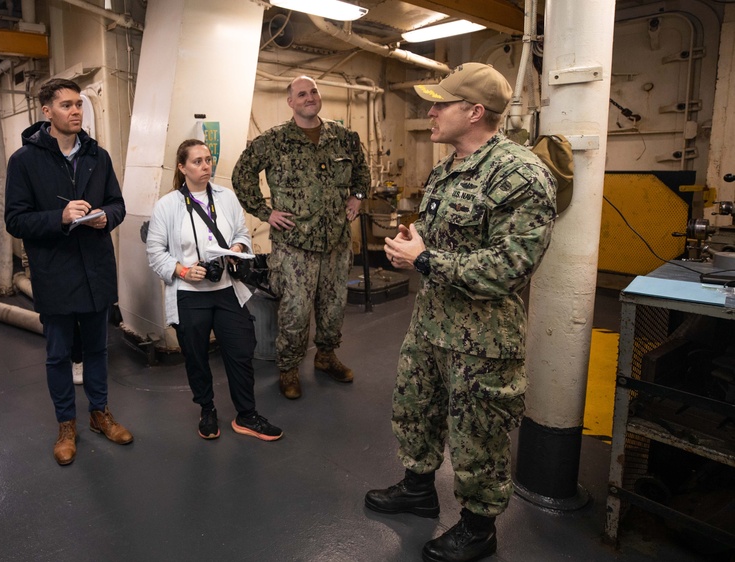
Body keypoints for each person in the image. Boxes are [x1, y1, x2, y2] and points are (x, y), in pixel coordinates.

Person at [364, 63, 557, 562]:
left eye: (440, 104)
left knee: (479, 436)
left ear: (474, 112)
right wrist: (413, 243)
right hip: (432, 324)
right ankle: (417, 489)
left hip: (483, 339)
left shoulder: (519, 174)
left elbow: (513, 265)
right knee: (416, 410)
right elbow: (446, 240)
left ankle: (478, 527)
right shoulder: (447, 169)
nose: (429, 112)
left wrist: (425, 260)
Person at [5, 78, 131, 467]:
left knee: (97, 349)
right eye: (66, 105)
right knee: (58, 355)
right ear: (47, 112)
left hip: (95, 270)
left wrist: (103, 218)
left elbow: (117, 205)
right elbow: (15, 219)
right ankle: (66, 424)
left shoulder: (98, 156)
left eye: (78, 104)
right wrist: (59, 216)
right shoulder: (24, 161)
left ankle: (99, 413)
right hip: (54, 272)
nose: (75, 111)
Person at [232, 76, 371, 399]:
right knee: (295, 311)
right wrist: (265, 213)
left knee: (334, 307)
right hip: (296, 245)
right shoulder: (274, 141)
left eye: (314, 92)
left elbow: (362, 171)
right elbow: (242, 175)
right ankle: (289, 368)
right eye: (302, 94)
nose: (310, 98)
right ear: (291, 102)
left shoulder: (344, 137)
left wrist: (358, 196)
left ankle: (325, 356)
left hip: (336, 240)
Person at [147, 139, 283, 441]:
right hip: (189, 293)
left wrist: (236, 247)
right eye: (197, 161)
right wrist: (184, 270)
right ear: (182, 167)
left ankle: (247, 415)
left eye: (208, 160)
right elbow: (155, 251)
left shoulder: (226, 197)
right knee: (196, 356)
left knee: (240, 351)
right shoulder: (167, 205)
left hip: (225, 290)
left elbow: (241, 232)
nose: (205, 166)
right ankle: (206, 409)